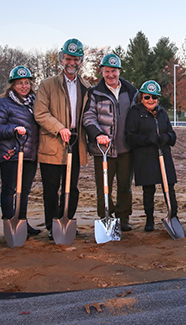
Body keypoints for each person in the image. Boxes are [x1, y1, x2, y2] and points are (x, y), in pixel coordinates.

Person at [34, 39, 91, 239]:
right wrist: (60, 129)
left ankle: (66, 219)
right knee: (51, 187)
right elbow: (40, 113)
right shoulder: (47, 85)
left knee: (72, 186)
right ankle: (52, 224)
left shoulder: (86, 86)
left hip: (76, 143)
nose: (72, 62)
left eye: (75, 59)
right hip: (53, 142)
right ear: (61, 59)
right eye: (68, 58)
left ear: (81, 61)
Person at [83, 53, 137, 231]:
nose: (111, 75)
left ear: (119, 71)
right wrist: (98, 134)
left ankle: (123, 217)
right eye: (107, 71)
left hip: (126, 148)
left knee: (125, 186)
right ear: (102, 71)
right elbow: (89, 116)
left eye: (114, 71)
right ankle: (105, 215)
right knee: (104, 186)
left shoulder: (130, 90)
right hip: (103, 149)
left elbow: (137, 114)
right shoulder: (95, 92)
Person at [0, 66, 41, 235]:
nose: (24, 86)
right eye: (20, 83)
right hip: (11, 153)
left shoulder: (35, 102)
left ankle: (22, 221)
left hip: (30, 154)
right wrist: (13, 129)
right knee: (9, 189)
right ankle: (10, 224)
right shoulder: (3, 103)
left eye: (27, 83)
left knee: (24, 190)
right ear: (12, 85)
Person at [125, 80, 178, 232]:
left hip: (163, 155)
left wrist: (167, 137)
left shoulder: (162, 113)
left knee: (169, 187)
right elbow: (130, 137)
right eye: (147, 97)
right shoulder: (135, 113)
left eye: (154, 97)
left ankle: (173, 216)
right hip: (145, 157)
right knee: (149, 190)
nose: (151, 100)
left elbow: (172, 135)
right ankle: (149, 220)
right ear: (141, 97)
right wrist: (147, 139)